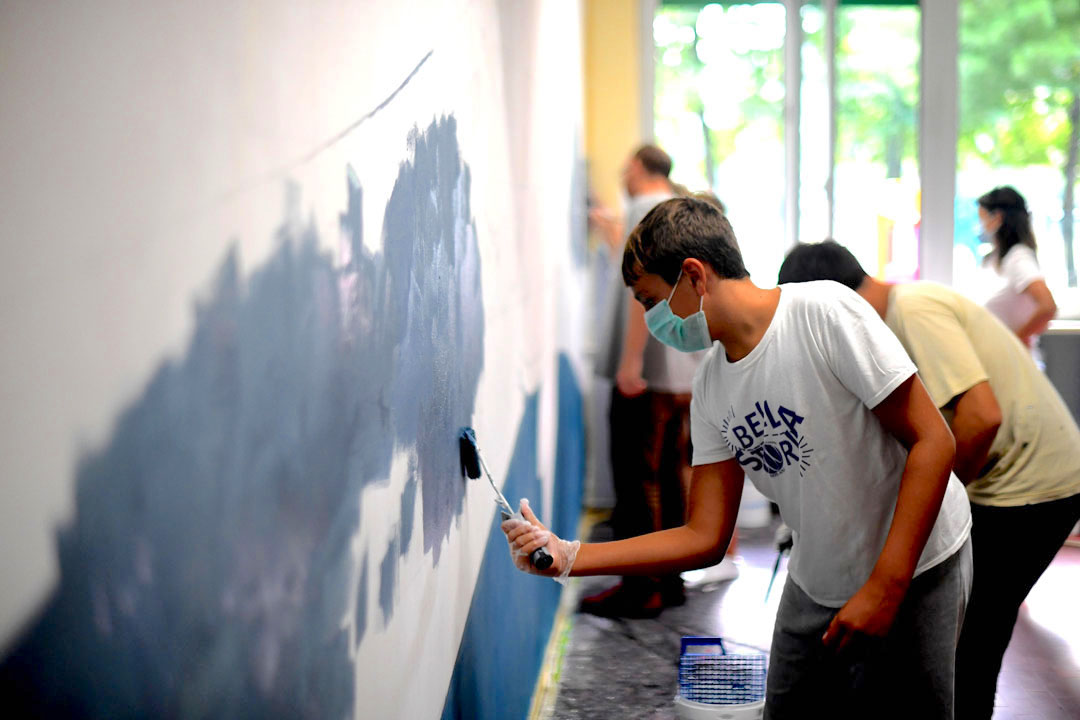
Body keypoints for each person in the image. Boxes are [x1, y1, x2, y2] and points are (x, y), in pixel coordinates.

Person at [504, 198, 973, 718]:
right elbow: (704, 536)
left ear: (693, 275)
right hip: (819, 574)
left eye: (650, 300)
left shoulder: (822, 312)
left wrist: (887, 586)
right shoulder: (711, 385)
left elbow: (934, 442)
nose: (651, 319)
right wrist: (569, 557)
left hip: (917, 562)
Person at [777, 239, 1080, 720]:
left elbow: (981, 418)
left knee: (966, 643)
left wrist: (932, 503)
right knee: (962, 639)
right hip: (1014, 478)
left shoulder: (912, 310)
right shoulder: (891, 317)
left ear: (829, 300)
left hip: (1031, 485)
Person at [583, 146, 729, 619]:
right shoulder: (674, 210)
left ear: (637, 169)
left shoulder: (642, 210)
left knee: (636, 476)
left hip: (648, 375)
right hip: (682, 375)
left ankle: (640, 587)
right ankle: (667, 580)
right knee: (668, 475)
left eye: (624, 168)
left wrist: (630, 363)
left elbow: (638, 295)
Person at [977, 186, 1057, 368]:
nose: (980, 226)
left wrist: (1013, 340)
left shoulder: (1018, 258)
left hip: (1015, 365)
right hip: (994, 361)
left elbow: (1048, 306)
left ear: (997, 218)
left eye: (981, 219)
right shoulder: (994, 259)